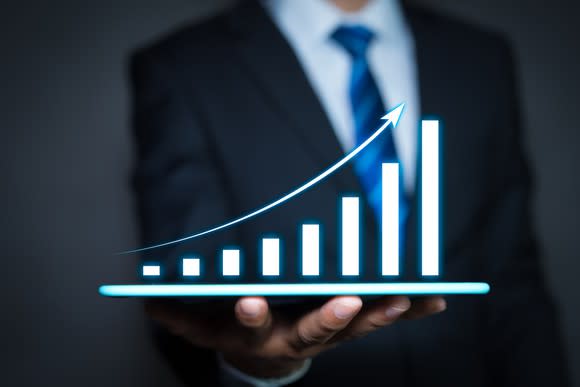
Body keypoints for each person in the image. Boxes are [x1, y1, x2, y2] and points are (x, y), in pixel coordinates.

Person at [129, 0, 569, 386]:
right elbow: (186, 290)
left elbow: (513, 277)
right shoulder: (183, 66)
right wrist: (258, 369)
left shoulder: (480, 56)